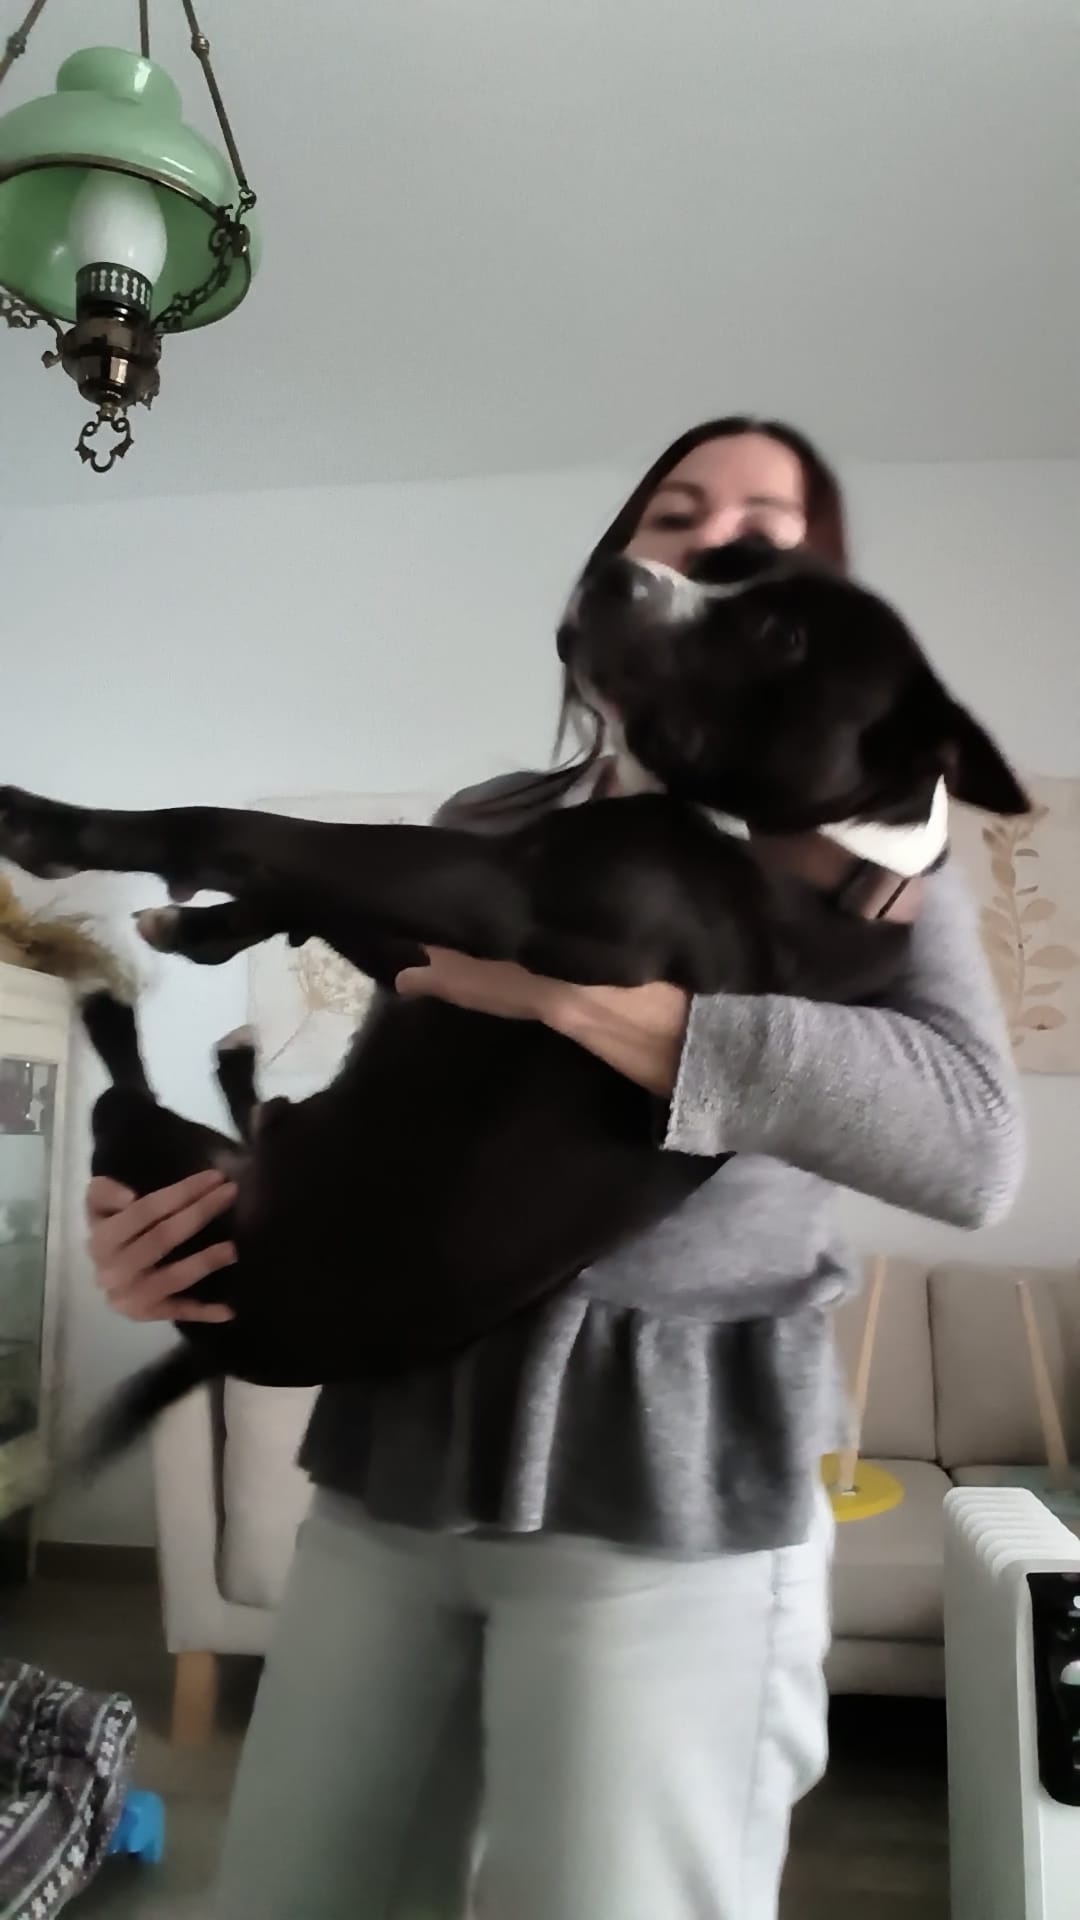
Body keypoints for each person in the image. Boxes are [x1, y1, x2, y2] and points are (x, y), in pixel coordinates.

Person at [86, 417, 1023, 1920]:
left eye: (767, 532)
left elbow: (973, 1146)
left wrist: (633, 1019)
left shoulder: (869, 867)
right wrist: (201, 1233)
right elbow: (403, 1117)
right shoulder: (495, 821)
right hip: (392, 1455)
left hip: (669, 1490)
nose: (711, 543)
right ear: (619, 569)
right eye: (675, 512)